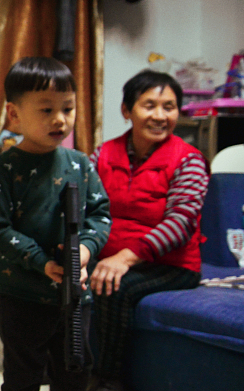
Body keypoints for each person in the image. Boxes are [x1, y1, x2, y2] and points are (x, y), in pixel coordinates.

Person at [0, 56, 112, 391]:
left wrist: (84, 251)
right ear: (14, 114)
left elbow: (100, 215)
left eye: (68, 109)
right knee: (22, 376)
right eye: (46, 110)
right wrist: (42, 263)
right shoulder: (5, 167)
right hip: (21, 297)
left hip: (76, 298)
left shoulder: (81, 163)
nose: (60, 119)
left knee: (74, 373)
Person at [87, 70, 210, 391]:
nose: (160, 116)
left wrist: (125, 258)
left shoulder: (189, 160)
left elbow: (181, 223)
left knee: (114, 286)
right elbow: (84, 208)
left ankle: (108, 381)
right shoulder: (103, 154)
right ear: (127, 110)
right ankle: (56, 367)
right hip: (109, 256)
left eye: (169, 107)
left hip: (170, 265)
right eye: (149, 105)